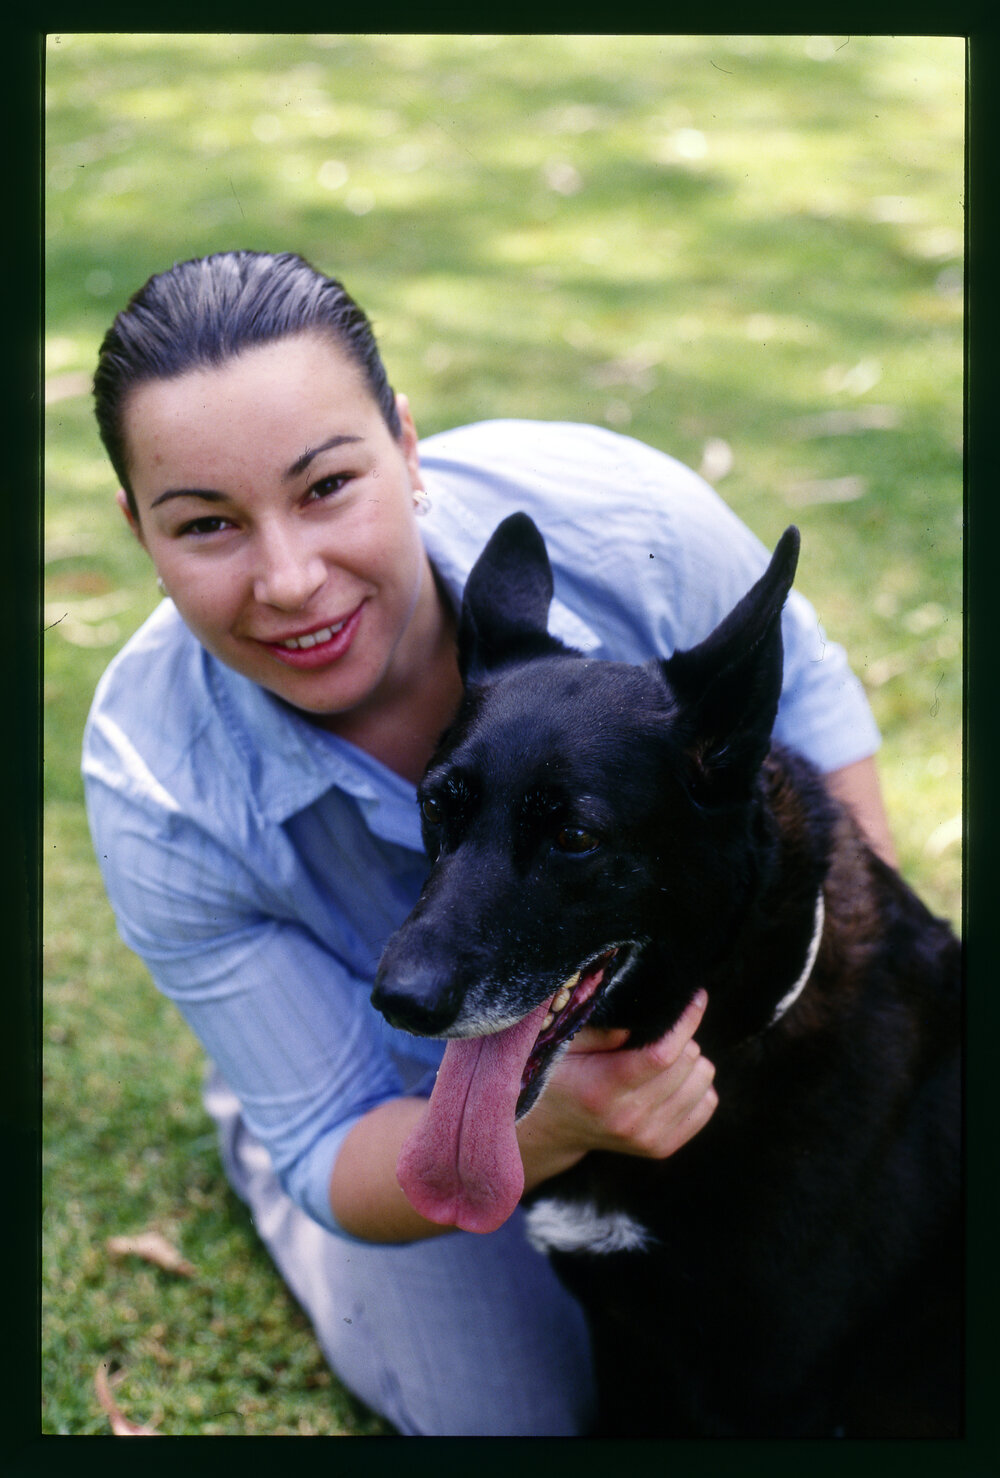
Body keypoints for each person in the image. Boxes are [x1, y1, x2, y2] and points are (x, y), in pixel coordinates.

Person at [83, 250, 894, 1436]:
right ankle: (253, 1082)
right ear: (139, 530)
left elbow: (807, 697)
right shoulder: (156, 782)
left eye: (325, 487)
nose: (291, 579)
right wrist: (557, 1120)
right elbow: (332, 1145)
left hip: (618, 973)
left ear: (406, 447)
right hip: (398, 1082)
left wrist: (837, 987)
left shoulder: (623, 520)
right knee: (513, 1415)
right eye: (206, 523)